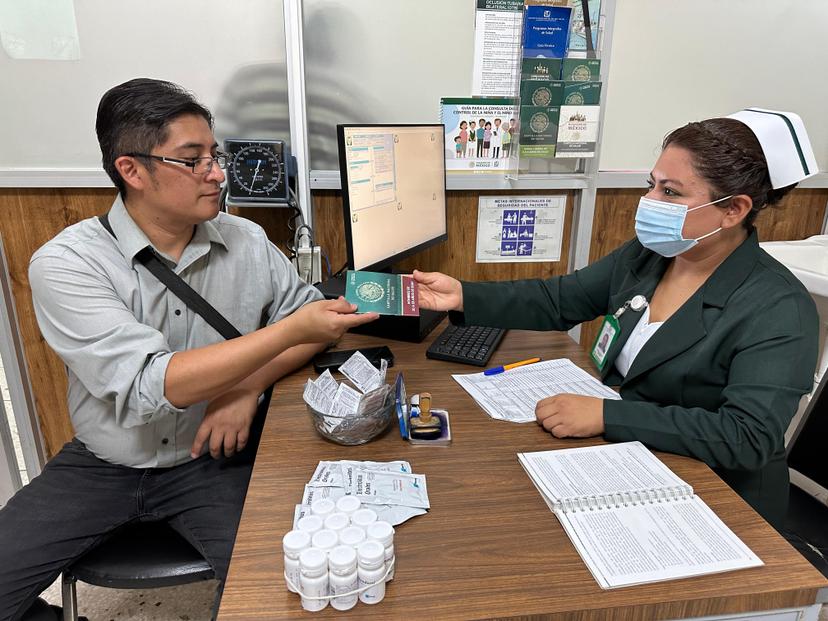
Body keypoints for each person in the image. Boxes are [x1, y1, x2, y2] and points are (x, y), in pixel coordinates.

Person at [0, 78, 378, 620]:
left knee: (289, 592)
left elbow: (310, 322)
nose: (218, 173)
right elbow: (151, 384)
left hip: (211, 460)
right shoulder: (68, 264)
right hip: (105, 462)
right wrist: (289, 333)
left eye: (214, 155)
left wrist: (247, 388)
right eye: (192, 159)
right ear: (132, 170)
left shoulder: (245, 240)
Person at [414, 108, 820, 529]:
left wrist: (606, 415)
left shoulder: (779, 308)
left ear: (734, 209)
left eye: (671, 192)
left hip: (720, 501)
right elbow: (559, 300)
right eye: (652, 185)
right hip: (634, 464)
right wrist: (462, 295)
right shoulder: (650, 256)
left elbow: (747, 437)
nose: (648, 201)